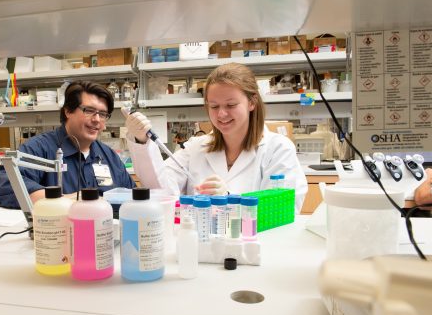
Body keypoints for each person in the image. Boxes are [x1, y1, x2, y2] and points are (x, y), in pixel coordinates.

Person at [125, 62, 308, 213]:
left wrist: (229, 200)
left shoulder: (278, 149)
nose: (221, 114)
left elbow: (284, 210)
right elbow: (161, 191)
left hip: (253, 250)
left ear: (252, 102)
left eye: (231, 105)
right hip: (200, 248)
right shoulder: (195, 148)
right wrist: (141, 141)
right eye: (213, 106)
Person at [0, 81, 135, 208]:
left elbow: (132, 197)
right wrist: (65, 201)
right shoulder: (40, 148)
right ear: (68, 111)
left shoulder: (109, 156)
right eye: (89, 111)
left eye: (103, 114)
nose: (97, 119)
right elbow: (6, 184)